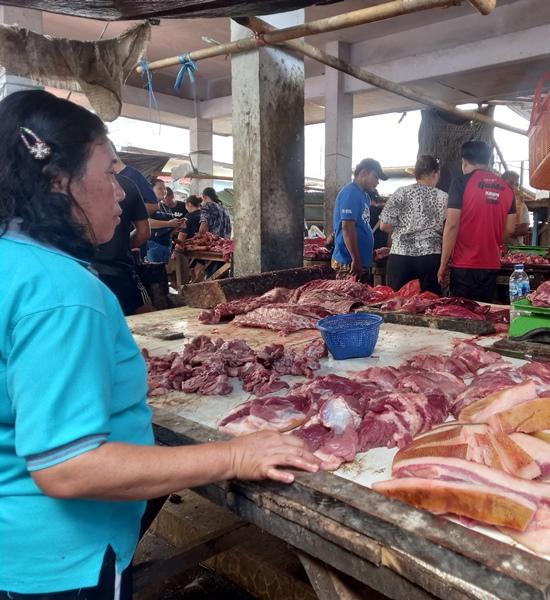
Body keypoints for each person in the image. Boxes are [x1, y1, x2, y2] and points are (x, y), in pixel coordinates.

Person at [0, 90, 320, 598]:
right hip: (60, 565)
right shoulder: (60, 293)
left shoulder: (12, 262)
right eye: (109, 173)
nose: (123, 193)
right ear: (59, 181)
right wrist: (234, 457)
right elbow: (68, 466)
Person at [437, 140, 516, 302]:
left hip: (464, 265)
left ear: (464, 161)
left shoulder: (460, 183)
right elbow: (509, 229)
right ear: (488, 161)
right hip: (491, 264)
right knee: (484, 313)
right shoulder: (507, 189)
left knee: (461, 315)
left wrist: (443, 264)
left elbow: (451, 225)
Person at [91, 159, 154, 316]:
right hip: (120, 272)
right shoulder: (128, 185)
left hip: (83, 274)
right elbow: (144, 232)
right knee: (143, 322)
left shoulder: (66, 186)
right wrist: (123, 245)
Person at [380, 155, 448, 293]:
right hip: (430, 259)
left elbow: (384, 225)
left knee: (398, 306)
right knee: (429, 308)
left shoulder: (401, 192)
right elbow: (448, 229)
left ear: (416, 174)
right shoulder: (444, 197)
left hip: (400, 257)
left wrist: (403, 232)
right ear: (436, 173)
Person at [331, 158, 387, 281]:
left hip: (360, 262)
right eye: (376, 177)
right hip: (348, 263)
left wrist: (371, 254)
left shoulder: (365, 196)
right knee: (349, 299)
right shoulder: (351, 193)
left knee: (361, 298)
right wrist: (355, 258)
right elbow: (347, 227)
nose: (377, 182)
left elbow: (361, 227)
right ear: (364, 173)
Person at [146, 178, 184, 263]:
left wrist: (176, 227)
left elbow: (168, 229)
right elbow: (146, 222)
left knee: (164, 274)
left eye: (165, 188)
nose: (164, 191)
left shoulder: (165, 207)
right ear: (150, 190)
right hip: (152, 246)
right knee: (153, 273)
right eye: (160, 188)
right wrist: (168, 224)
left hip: (166, 245)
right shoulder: (147, 205)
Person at [501, 170, 530, 245]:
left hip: (515, 250)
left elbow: (524, 229)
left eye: (516, 184)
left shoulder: (522, 206)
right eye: (511, 183)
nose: (513, 187)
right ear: (502, 182)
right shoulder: (494, 202)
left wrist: (502, 230)